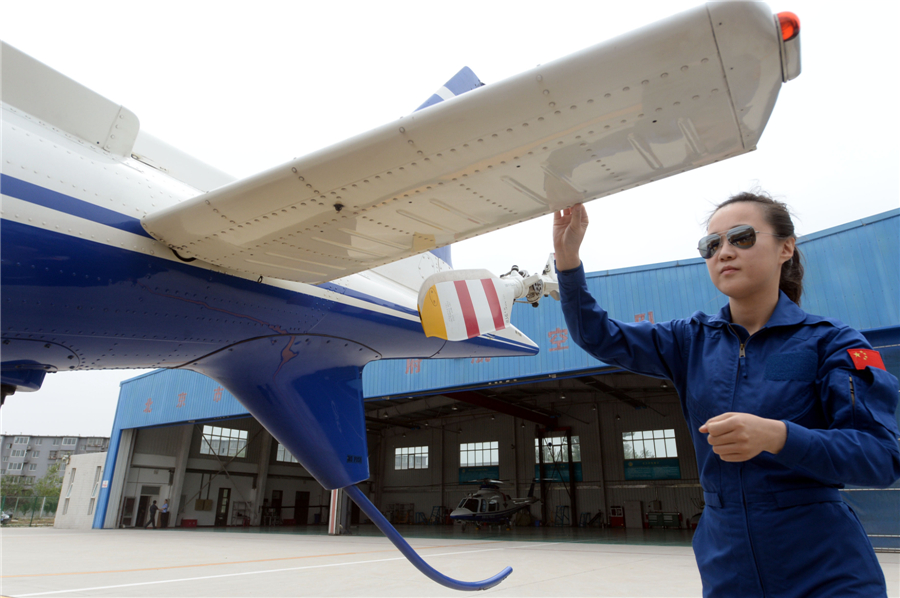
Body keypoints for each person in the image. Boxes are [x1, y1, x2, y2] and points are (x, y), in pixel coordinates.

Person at [553, 193, 900, 598]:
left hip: (823, 565)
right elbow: (598, 335)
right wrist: (568, 262)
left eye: (742, 237)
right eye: (712, 245)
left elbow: (880, 456)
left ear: (785, 247)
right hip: (727, 563)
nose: (725, 252)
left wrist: (779, 436)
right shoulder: (689, 341)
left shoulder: (832, 343)